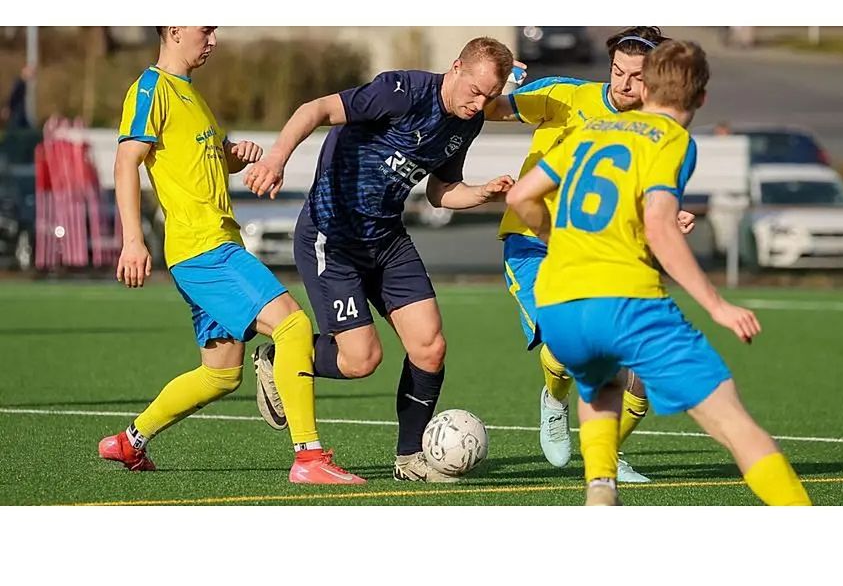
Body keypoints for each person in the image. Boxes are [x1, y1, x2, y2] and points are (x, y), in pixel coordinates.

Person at [505, 39, 811, 507]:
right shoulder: (673, 140)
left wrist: (560, 241)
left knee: (602, 385)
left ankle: (601, 489)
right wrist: (717, 305)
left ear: (645, 87)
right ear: (701, 98)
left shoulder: (595, 129)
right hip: (626, 302)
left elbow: (520, 197)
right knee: (733, 422)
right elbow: (660, 229)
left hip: (562, 305)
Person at [98, 26, 365, 485]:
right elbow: (127, 161)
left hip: (213, 245)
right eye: (206, 28)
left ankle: (129, 441)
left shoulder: (190, 94)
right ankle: (308, 457)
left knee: (220, 374)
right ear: (175, 28)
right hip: (203, 249)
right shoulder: (151, 88)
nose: (213, 39)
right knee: (293, 325)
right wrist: (132, 239)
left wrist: (233, 156)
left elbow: (203, 157)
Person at [245, 37, 516, 482]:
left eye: (489, 96)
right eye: (475, 91)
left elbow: (439, 191)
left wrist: (483, 193)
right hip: (333, 239)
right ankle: (279, 358)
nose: (479, 103)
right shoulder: (402, 92)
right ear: (456, 67)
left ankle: (409, 457)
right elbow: (314, 110)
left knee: (430, 348)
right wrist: (276, 159)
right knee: (360, 361)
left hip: (387, 239)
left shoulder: (468, 123)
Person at [483, 27, 695, 482]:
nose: (623, 84)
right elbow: (491, 110)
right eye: (618, 72)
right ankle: (555, 400)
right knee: (565, 345)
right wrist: (502, 84)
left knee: (642, 376)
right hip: (534, 245)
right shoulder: (563, 94)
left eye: (637, 77)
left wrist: (670, 217)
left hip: (607, 254)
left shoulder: (658, 133)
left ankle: (607, 455)